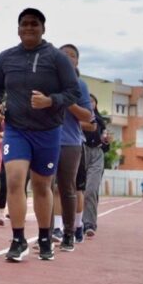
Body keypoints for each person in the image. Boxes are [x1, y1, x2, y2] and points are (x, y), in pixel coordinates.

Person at [0, 8, 80, 262]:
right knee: (15, 179)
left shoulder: (56, 58)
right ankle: (18, 240)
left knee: (41, 185)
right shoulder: (6, 57)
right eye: (24, 24)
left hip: (48, 131)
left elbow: (73, 92)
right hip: (16, 129)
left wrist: (50, 101)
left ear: (43, 29)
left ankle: (44, 237)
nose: (29, 28)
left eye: (34, 24)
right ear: (18, 29)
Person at [53, 44, 93, 250]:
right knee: (47, 187)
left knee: (66, 187)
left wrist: (69, 103)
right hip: (46, 140)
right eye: (63, 55)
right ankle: (54, 230)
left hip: (70, 142)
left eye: (72, 56)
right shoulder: (47, 82)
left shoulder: (80, 85)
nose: (67, 58)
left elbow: (88, 116)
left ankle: (70, 231)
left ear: (77, 62)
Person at [82, 94, 108, 237]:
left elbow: (105, 146)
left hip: (97, 154)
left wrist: (107, 142)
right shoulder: (78, 118)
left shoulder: (100, 121)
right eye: (88, 101)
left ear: (96, 104)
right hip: (80, 151)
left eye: (92, 101)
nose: (90, 103)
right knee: (78, 190)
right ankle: (76, 221)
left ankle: (89, 223)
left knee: (91, 189)